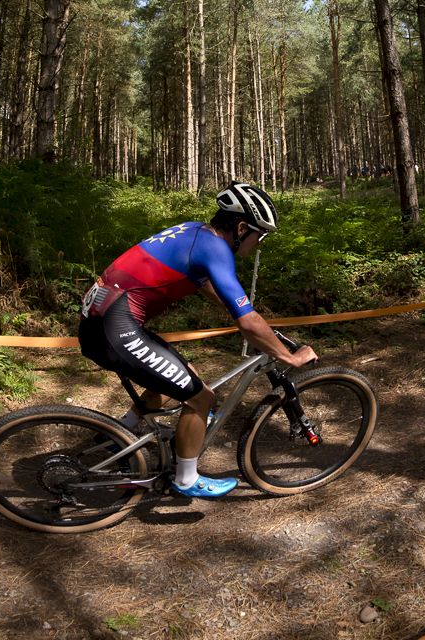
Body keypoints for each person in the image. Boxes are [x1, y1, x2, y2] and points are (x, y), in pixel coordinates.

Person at [78, 182, 316, 500]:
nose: (260, 243)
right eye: (260, 234)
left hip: (102, 320)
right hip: (113, 327)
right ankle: (187, 479)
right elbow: (246, 320)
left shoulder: (194, 231)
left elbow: (209, 287)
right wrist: (290, 356)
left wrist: (249, 319)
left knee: (183, 373)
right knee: (200, 397)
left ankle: (117, 435)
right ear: (242, 227)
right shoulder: (216, 249)